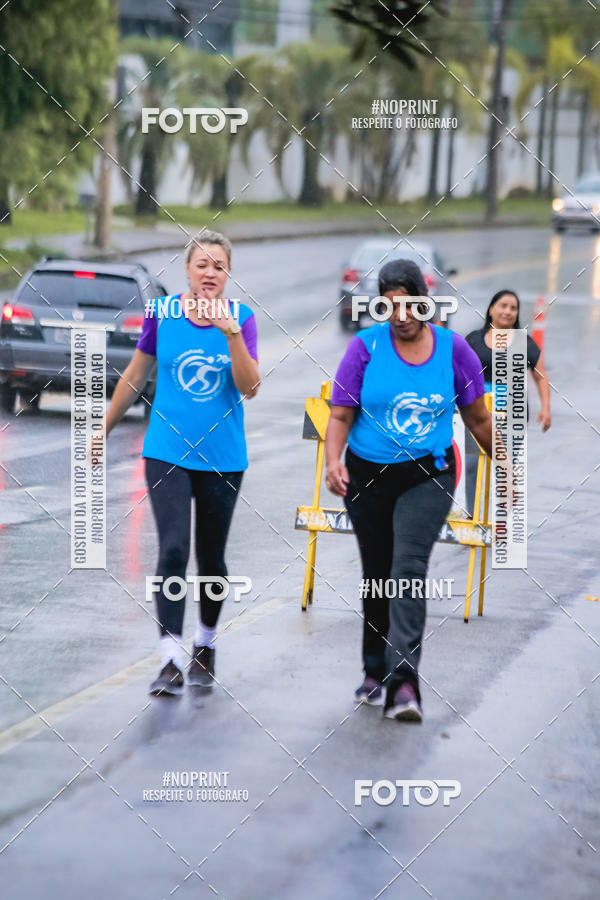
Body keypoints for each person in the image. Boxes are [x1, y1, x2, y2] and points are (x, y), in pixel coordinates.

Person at [325, 259, 493, 724]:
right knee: (377, 570)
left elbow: (478, 419)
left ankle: (403, 682)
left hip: (428, 473)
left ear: (426, 302)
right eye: (389, 305)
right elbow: (339, 415)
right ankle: (373, 669)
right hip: (366, 475)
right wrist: (332, 462)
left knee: (408, 567)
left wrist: (509, 467)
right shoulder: (364, 348)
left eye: (408, 303)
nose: (399, 314)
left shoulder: (454, 350)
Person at [101, 230, 260, 696]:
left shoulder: (244, 319)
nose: (210, 273)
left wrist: (231, 334)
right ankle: (170, 657)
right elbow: (135, 373)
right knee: (172, 549)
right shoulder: (161, 314)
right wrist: (104, 427)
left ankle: (205, 643)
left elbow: (250, 386)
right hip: (166, 450)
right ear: (187, 271)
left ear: (228, 273)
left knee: (211, 558)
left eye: (219, 266)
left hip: (223, 458)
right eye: (201, 265)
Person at [463, 289, 550, 517]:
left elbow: (540, 376)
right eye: (503, 306)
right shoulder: (473, 339)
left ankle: (503, 519)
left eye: (513, 308)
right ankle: (473, 515)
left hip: (513, 414)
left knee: (505, 465)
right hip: (477, 412)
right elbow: (458, 372)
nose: (508, 311)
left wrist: (546, 408)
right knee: (473, 466)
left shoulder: (524, 343)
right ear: (491, 309)